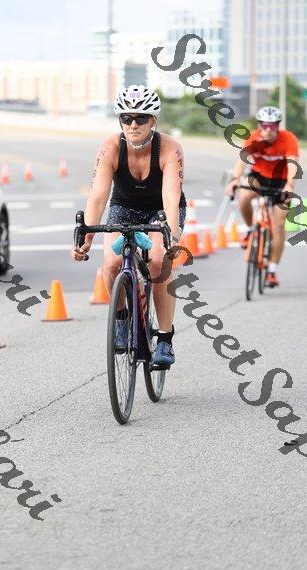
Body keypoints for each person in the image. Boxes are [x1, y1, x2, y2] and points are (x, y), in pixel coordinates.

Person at [71, 84, 187, 365]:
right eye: (126, 118)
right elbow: (98, 196)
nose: (133, 124)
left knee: (158, 262)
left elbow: (171, 196)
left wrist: (172, 235)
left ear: (153, 121)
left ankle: (165, 338)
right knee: (111, 263)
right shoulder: (110, 147)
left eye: (141, 118)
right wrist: (86, 237)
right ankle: (122, 317)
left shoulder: (170, 148)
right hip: (124, 207)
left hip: (161, 210)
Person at [225, 105, 299, 287]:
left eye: (272, 126)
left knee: (279, 226)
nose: (268, 130)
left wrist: (289, 185)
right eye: (264, 125)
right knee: (244, 196)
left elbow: (293, 164)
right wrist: (234, 180)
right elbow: (241, 161)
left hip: (281, 182)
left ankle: (272, 271)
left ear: (278, 126)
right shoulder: (253, 137)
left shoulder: (288, 139)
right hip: (259, 178)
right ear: (259, 125)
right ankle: (251, 230)